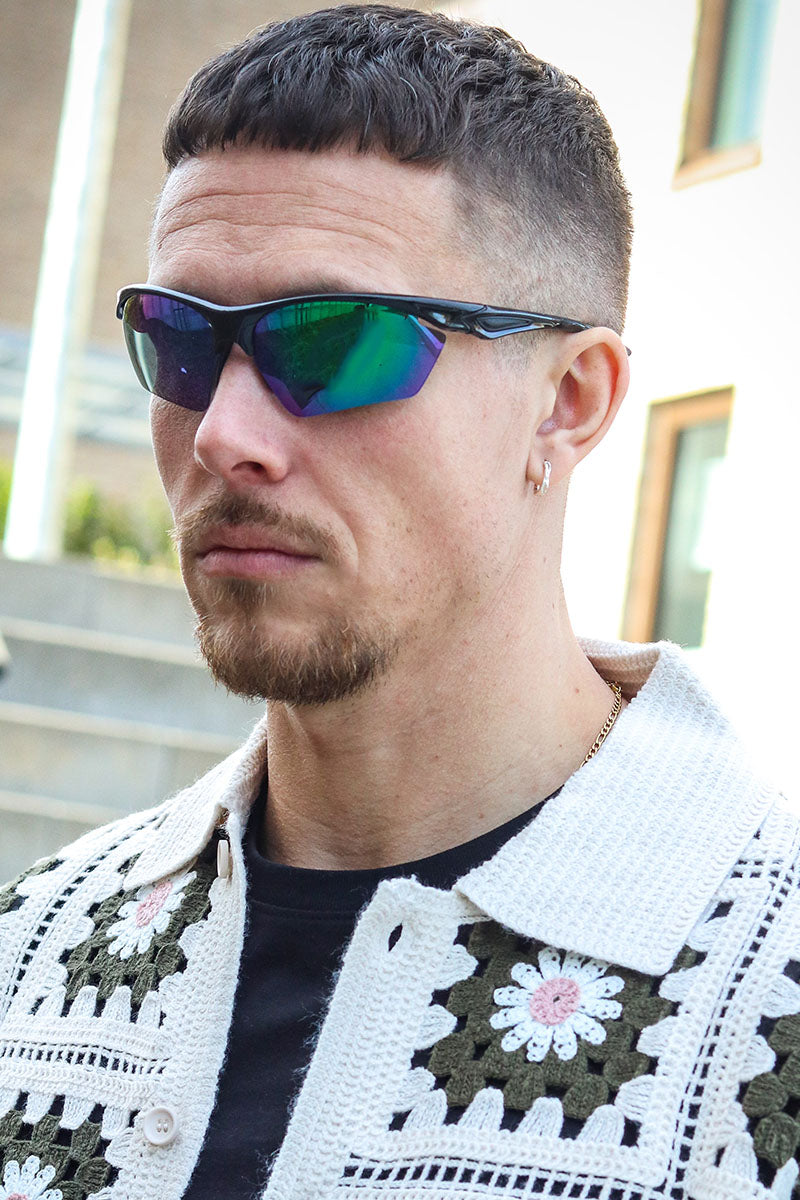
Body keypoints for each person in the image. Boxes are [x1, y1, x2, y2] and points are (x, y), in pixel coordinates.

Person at [0, 6, 795, 1199]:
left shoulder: (765, 1001)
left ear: (567, 401)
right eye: (180, 340)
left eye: (331, 341)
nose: (221, 434)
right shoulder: (34, 952)